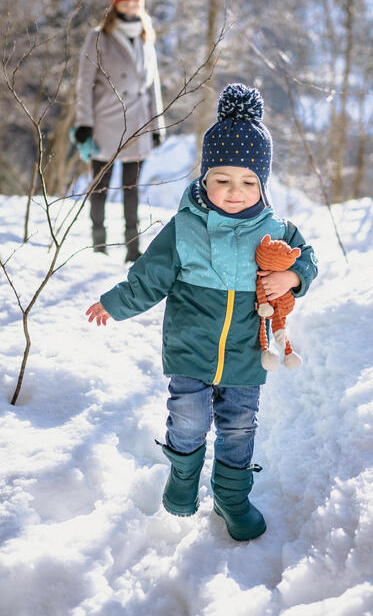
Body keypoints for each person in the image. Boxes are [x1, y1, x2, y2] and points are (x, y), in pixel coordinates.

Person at [85, 84, 319, 541]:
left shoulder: (276, 230)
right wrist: (115, 303)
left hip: (247, 355)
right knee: (188, 419)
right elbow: (149, 276)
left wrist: (291, 279)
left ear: (263, 183)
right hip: (190, 348)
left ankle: (232, 497)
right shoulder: (184, 227)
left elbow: (307, 260)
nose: (235, 191)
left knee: (238, 427)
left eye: (249, 181)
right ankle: (183, 476)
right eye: (223, 179)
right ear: (205, 178)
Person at [74, 0, 165, 262]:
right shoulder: (98, 37)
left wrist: (156, 125)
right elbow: (84, 83)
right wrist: (84, 123)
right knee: (100, 187)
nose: (131, 6)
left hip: (137, 125)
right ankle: (98, 245)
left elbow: (153, 87)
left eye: (136, 1)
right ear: (116, 3)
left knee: (131, 190)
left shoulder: (145, 38)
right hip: (104, 123)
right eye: (126, 1)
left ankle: (132, 247)